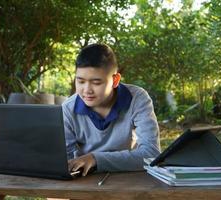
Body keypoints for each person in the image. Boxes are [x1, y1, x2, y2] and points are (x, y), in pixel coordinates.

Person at [62, 43, 161, 176]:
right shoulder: (68, 109)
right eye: (80, 81)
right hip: (84, 179)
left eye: (96, 82)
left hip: (125, 177)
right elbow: (64, 161)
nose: (87, 90)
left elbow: (151, 154)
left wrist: (95, 159)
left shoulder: (137, 99)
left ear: (115, 80)